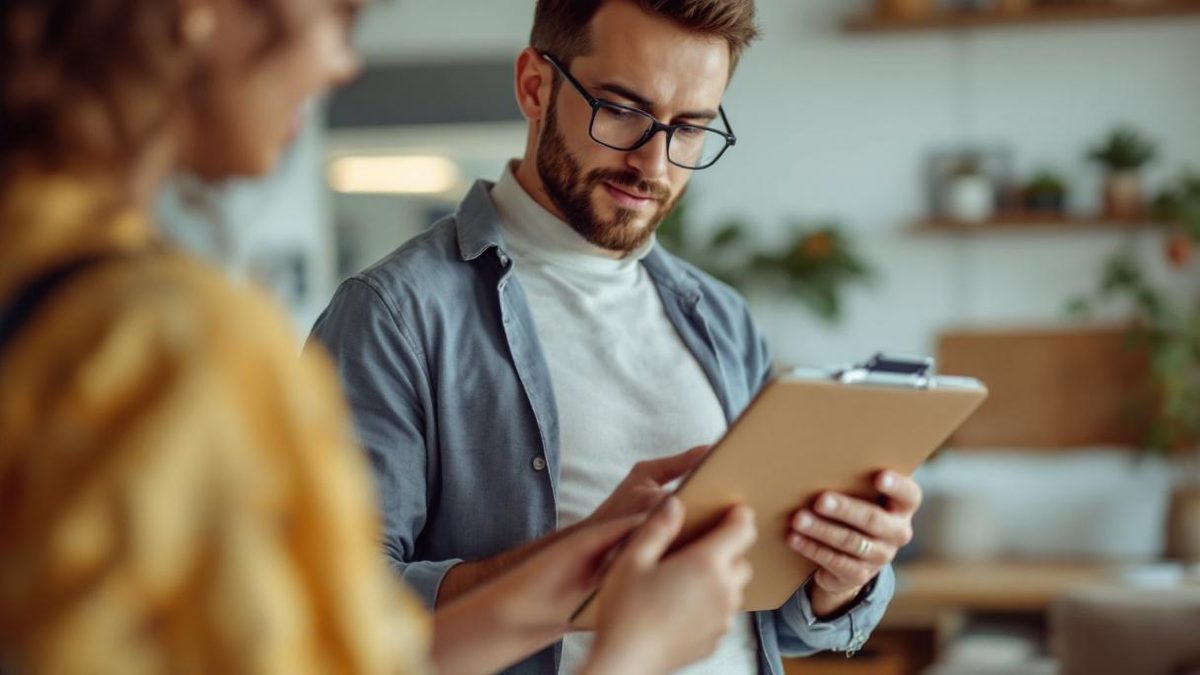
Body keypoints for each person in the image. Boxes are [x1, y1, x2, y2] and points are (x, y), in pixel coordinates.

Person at [0, 0, 758, 673]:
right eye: (339, 14)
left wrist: (589, 560)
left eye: (690, 127)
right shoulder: (175, 336)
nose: (342, 61)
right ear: (202, 13)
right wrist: (638, 648)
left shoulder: (49, 273)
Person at [309, 1, 925, 674]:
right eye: (624, 109)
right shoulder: (392, 315)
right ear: (534, 86)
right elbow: (327, 607)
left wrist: (839, 577)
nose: (654, 163)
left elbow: (766, 615)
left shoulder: (722, 318)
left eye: (690, 128)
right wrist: (579, 559)